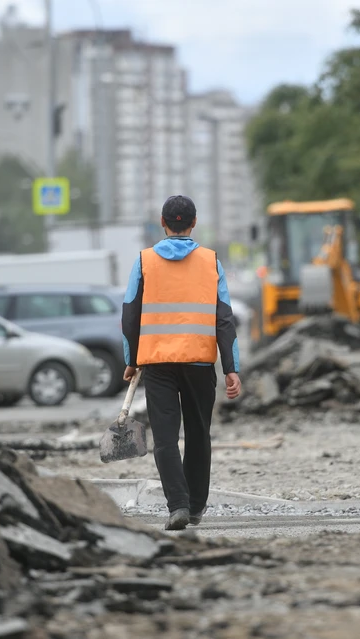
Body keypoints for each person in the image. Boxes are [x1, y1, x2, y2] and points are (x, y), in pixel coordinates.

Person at [121, 195, 242, 531]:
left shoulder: (143, 262)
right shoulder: (211, 262)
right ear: (193, 223)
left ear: (163, 223)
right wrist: (232, 368)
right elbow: (224, 319)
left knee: (165, 438)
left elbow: (130, 313)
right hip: (200, 363)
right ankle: (197, 506)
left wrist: (131, 360)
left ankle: (178, 506)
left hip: (158, 363)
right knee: (198, 434)